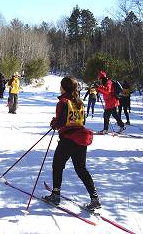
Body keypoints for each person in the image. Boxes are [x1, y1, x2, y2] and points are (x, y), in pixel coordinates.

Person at [44, 76, 101, 211]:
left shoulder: (63, 101)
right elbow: (82, 121)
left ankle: (56, 195)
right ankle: (94, 198)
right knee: (81, 169)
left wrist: (54, 123)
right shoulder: (80, 102)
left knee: (57, 165)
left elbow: (61, 122)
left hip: (68, 139)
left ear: (64, 88)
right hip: (81, 139)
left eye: (61, 86)